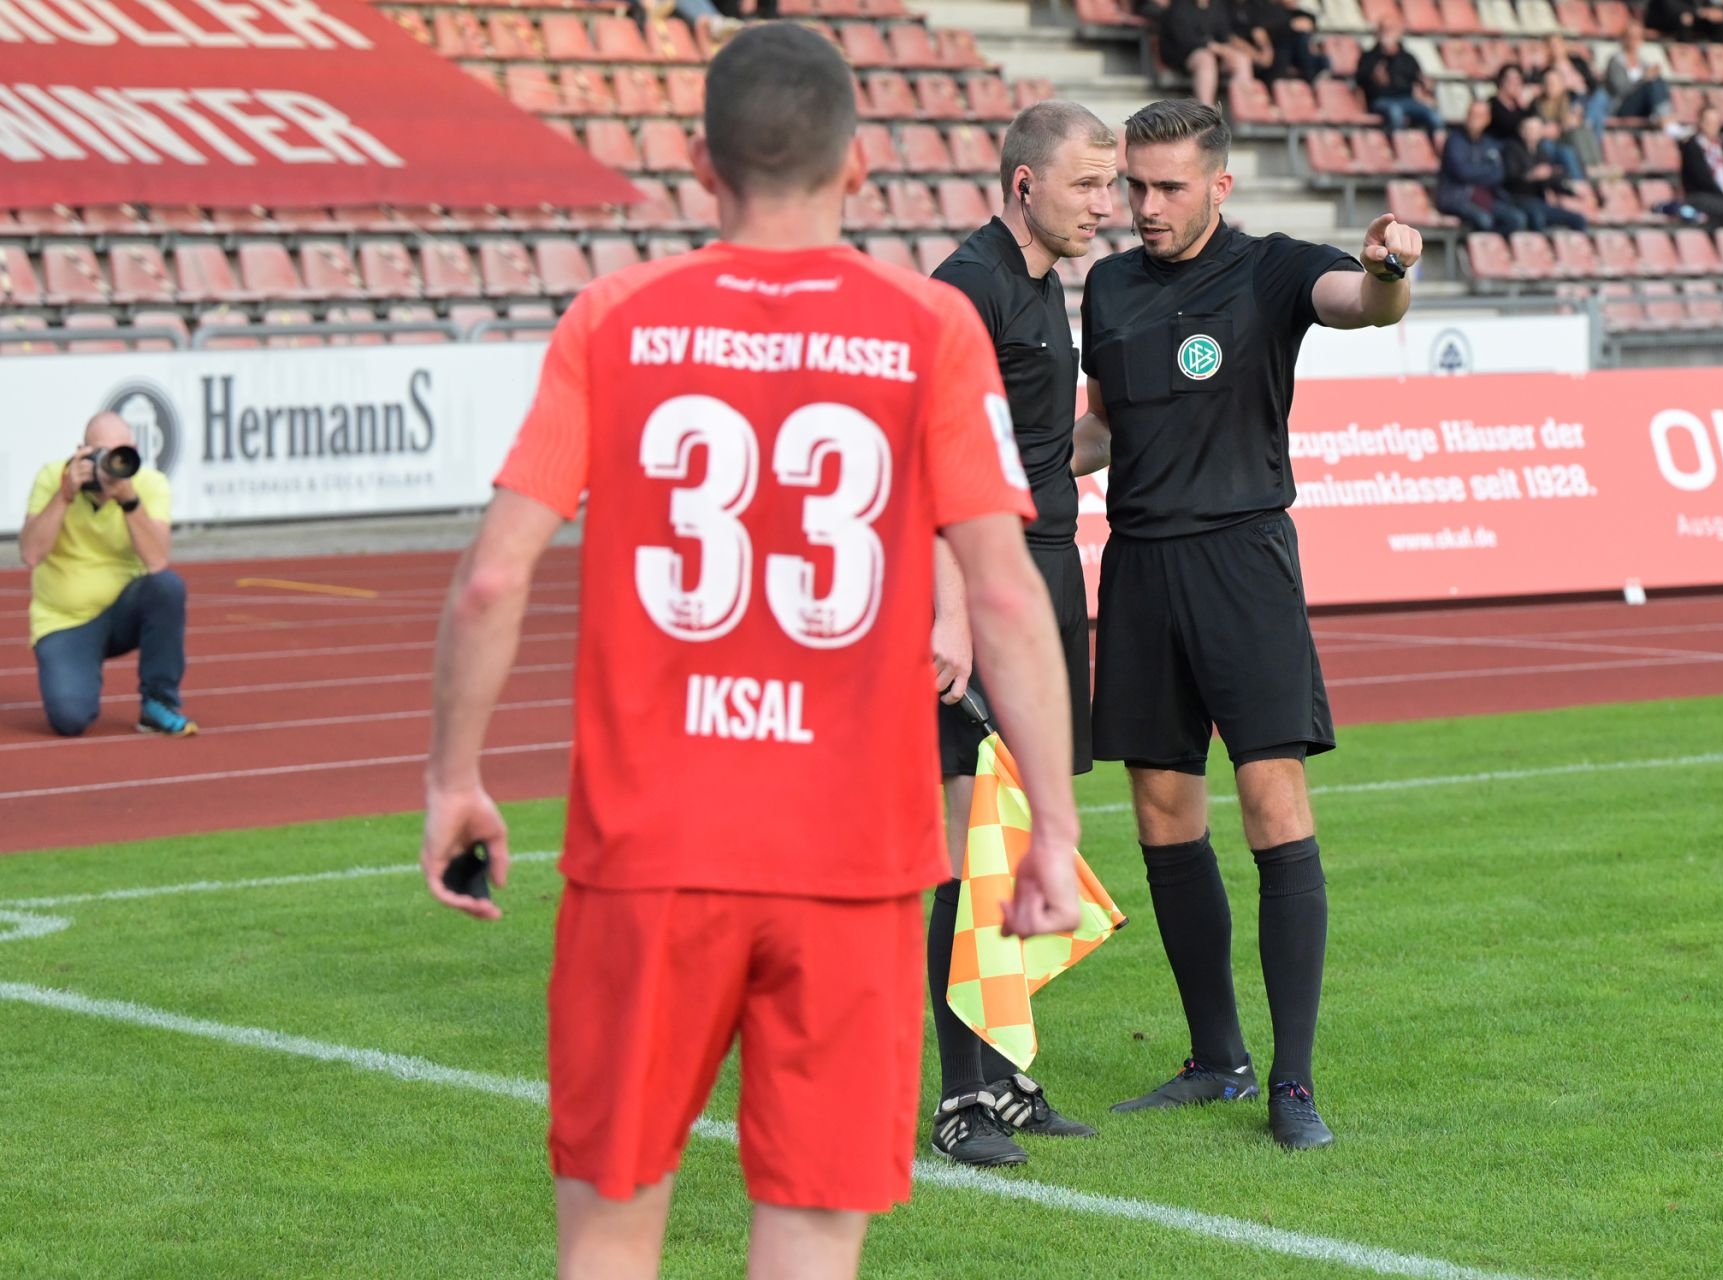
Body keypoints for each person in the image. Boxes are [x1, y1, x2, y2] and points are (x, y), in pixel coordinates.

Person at [417, 24, 1083, 1280]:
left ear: (698, 161)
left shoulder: (615, 318)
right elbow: (1002, 591)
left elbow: (495, 572)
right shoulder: (929, 327)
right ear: (859, 164)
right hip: (852, 856)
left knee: (610, 1229)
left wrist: (455, 776)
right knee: (812, 1235)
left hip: (649, 848)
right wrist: (1051, 822)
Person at [1071, 98, 1423, 1150]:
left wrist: (1390, 266)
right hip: (1139, 565)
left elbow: (1363, 302)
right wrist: (1019, 457)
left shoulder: (1271, 269)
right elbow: (1102, 428)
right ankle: (1216, 1057)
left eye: (1169, 188)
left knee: (1273, 802)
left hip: (1244, 561)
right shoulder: (1109, 284)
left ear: (1219, 185)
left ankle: (1294, 1081)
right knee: (1161, 811)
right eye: (1135, 186)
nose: (1146, 206)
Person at [923, 99, 1116, 1167]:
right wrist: (949, 611)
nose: (1106, 205)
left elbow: (1043, 448)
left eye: (1109, 185)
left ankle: (1003, 1074)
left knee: (1016, 840)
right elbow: (931, 460)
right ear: (1024, 184)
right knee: (969, 844)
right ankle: (961, 1098)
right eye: (1088, 185)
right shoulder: (968, 288)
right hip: (983, 584)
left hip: (1047, 568)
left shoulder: (1045, 283)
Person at [17, 412, 194, 738]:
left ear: (134, 451)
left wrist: (129, 502)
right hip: (65, 621)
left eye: (120, 454)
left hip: (124, 612)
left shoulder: (149, 485)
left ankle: (158, 702)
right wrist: (65, 495)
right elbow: (31, 554)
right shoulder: (53, 477)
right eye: (102, 454)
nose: (111, 465)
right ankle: (79, 670)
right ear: (82, 452)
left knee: (167, 588)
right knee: (69, 719)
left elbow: (157, 561)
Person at [1436, 100, 1526, 232]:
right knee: (1484, 220)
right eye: (1471, 114)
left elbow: (1498, 174)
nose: (1473, 119)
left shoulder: (1489, 143)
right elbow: (1462, 172)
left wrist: (1478, 172)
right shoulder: (1454, 141)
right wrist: (1486, 170)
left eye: (1479, 116)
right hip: (1456, 198)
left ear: (1487, 119)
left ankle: (1492, 242)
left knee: (1517, 218)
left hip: (1485, 197)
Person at [1147, 0, 1255, 107]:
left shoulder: (1217, 6)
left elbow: (1224, 35)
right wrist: (1212, 46)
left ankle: (1245, 111)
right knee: (1206, 59)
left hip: (1214, 55)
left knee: (1241, 59)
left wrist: (1227, 51)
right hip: (1183, 56)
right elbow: (1184, 39)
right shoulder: (1179, 5)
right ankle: (1206, 113)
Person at [1488, 63, 1585, 181]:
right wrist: (1541, 131)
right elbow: (1510, 126)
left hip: (1528, 146)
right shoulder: (1493, 104)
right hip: (1507, 149)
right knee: (1547, 147)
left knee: (1567, 151)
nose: (1514, 83)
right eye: (1510, 79)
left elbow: (1534, 119)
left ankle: (1579, 183)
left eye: (1518, 80)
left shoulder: (1521, 105)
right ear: (1501, 81)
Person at [1355, 20, 1444, 135]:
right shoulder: (1369, 57)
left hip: (1407, 99)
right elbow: (1359, 80)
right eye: (1383, 29)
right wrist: (1373, 78)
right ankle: (1398, 143)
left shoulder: (1408, 58)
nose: (1386, 33)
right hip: (1381, 100)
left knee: (1433, 115)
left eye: (1390, 30)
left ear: (1399, 33)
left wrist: (1427, 85)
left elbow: (1419, 79)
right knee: (1395, 112)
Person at [1503, 115, 1589, 231]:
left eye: (1537, 130)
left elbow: (1551, 179)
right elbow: (1509, 178)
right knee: (1537, 218)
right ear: (1522, 131)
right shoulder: (1511, 149)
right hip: (1518, 199)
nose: (1534, 133)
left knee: (1578, 219)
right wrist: (1531, 175)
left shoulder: (1541, 152)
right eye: (1530, 129)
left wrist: (1572, 190)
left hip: (1539, 201)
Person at [1592, 24, 1672, 136]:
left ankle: (1665, 118)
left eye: (1637, 37)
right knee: (1651, 83)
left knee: (1657, 80)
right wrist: (1643, 78)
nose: (1633, 41)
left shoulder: (1643, 63)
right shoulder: (1616, 62)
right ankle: (1665, 121)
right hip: (1622, 106)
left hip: (1642, 107)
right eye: (1630, 37)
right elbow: (1621, 90)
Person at [1232, 0, 1329, 83]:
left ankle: (1317, 73)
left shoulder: (1285, 10)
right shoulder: (1257, 7)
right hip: (1273, 53)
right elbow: (1258, 30)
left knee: (1302, 38)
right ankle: (1314, 75)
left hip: (1290, 53)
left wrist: (1308, 23)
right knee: (1295, 40)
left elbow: (1308, 20)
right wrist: (1289, 26)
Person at [1645, 0, 1723, 43]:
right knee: (1685, 19)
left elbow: (1706, 6)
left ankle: (1719, 56)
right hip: (1664, 19)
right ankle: (1685, 56)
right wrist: (1699, 12)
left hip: (1695, 20)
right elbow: (1667, 5)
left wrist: (1719, 13)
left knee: (1721, 22)